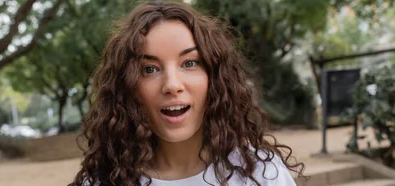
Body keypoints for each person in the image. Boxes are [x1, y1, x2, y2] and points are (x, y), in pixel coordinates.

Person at [69, 1, 304, 186]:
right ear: (126, 87)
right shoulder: (102, 182)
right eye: (149, 69)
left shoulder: (262, 175)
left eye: (189, 63)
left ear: (215, 78)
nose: (172, 85)